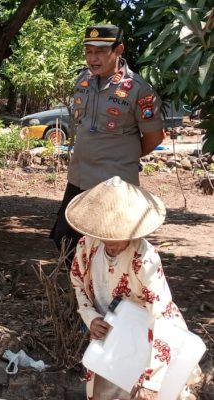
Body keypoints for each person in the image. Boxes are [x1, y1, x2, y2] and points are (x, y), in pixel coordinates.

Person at [67, 176, 199, 400]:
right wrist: (90, 317)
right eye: (105, 235)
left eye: (119, 237)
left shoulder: (145, 258)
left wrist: (152, 379)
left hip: (148, 337)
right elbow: (78, 282)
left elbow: (162, 317)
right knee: (103, 391)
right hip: (110, 334)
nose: (111, 243)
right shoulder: (86, 245)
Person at [50, 24, 165, 262]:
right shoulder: (84, 81)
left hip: (114, 183)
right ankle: (85, 291)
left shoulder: (138, 90)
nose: (92, 58)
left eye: (100, 52)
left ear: (118, 50)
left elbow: (154, 137)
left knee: (110, 246)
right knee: (65, 236)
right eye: (88, 51)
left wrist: (124, 158)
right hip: (79, 177)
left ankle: (107, 294)